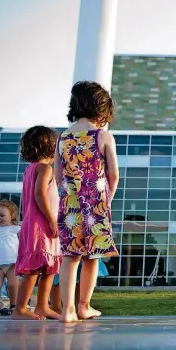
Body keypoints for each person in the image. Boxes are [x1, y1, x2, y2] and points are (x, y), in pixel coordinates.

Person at [54, 81, 120, 323]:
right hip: (96, 204)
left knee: (70, 256)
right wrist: (106, 200)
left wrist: (68, 194)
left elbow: (58, 175)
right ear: (102, 109)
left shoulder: (63, 137)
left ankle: (67, 310)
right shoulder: (103, 136)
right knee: (92, 256)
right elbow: (113, 175)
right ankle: (84, 306)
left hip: (69, 204)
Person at [11, 126, 62, 320]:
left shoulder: (30, 169)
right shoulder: (44, 168)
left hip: (36, 224)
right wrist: (52, 220)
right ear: (50, 146)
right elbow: (40, 195)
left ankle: (42, 306)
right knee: (34, 267)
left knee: (49, 265)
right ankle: (20, 309)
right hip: (40, 225)